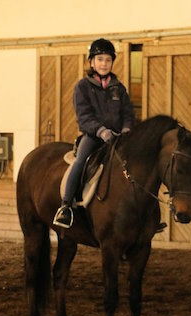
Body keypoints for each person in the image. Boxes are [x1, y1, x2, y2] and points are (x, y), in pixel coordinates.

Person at [53, 38, 135, 228]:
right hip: (94, 137)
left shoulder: (119, 88)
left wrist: (127, 128)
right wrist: (101, 130)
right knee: (81, 161)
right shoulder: (83, 86)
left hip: (118, 138)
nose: (104, 64)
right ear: (92, 62)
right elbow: (84, 116)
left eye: (107, 60)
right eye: (100, 59)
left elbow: (128, 113)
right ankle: (66, 206)